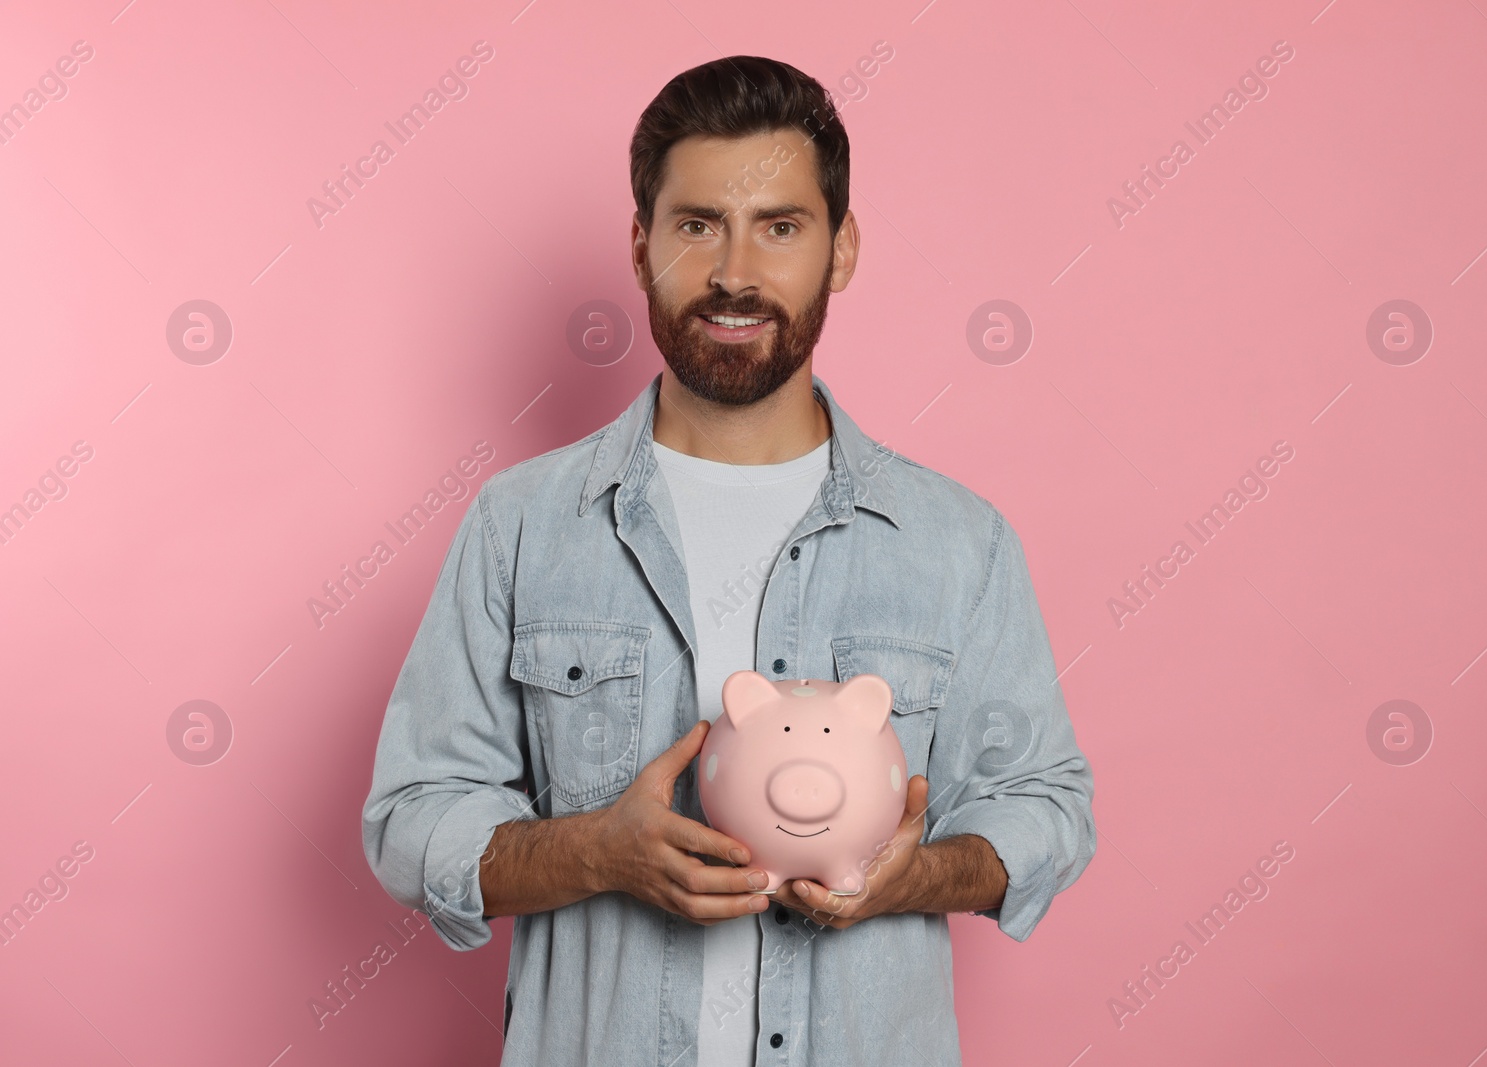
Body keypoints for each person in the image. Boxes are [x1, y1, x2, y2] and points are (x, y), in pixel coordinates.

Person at [362, 54, 1096, 1067]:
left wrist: (914, 875)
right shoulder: (522, 524)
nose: (735, 274)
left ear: (840, 249)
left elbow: (1047, 805)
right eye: (698, 223)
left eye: (780, 227)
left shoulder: (955, 541)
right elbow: (411, 816)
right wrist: (595, 852)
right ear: (641, 243)